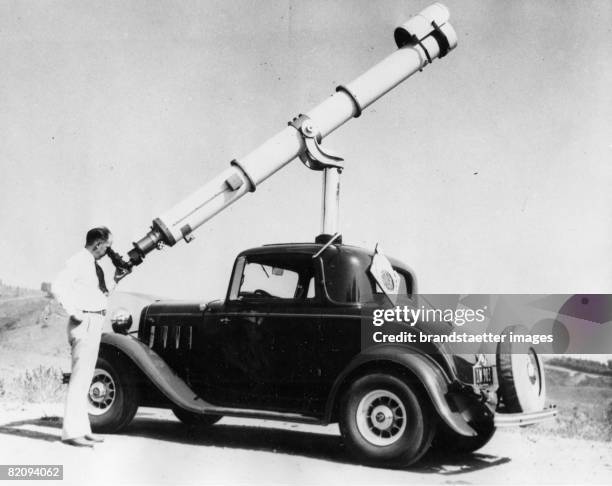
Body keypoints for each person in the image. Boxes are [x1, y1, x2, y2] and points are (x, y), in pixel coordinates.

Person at [52, 226, 118, 447]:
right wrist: (75, 312)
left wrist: (117, 277)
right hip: (85, 322)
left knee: (86, 378)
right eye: (107, 247)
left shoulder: (92, 265)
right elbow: (57, 287)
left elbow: (100, 292)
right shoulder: (78, 261)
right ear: (98, 244)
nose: (108, 251)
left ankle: (83, 430)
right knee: (80, 379)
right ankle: (71, 433)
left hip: (94, 320)